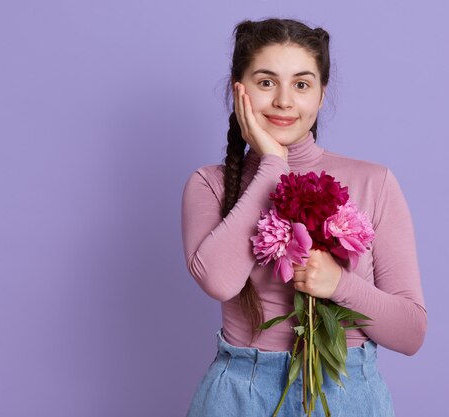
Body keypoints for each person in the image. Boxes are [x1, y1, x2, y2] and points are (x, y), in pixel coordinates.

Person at [181, 17, 427, 417]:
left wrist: (339, 284)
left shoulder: (374, 182)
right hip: (241, 396)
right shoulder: (207, 184)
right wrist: (273, 166)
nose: (283, 101)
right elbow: (219, 281)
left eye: (301, 84)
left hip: (346, 392)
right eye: (265, 82)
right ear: (237, 90)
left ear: (321, 95)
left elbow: (411, 333)